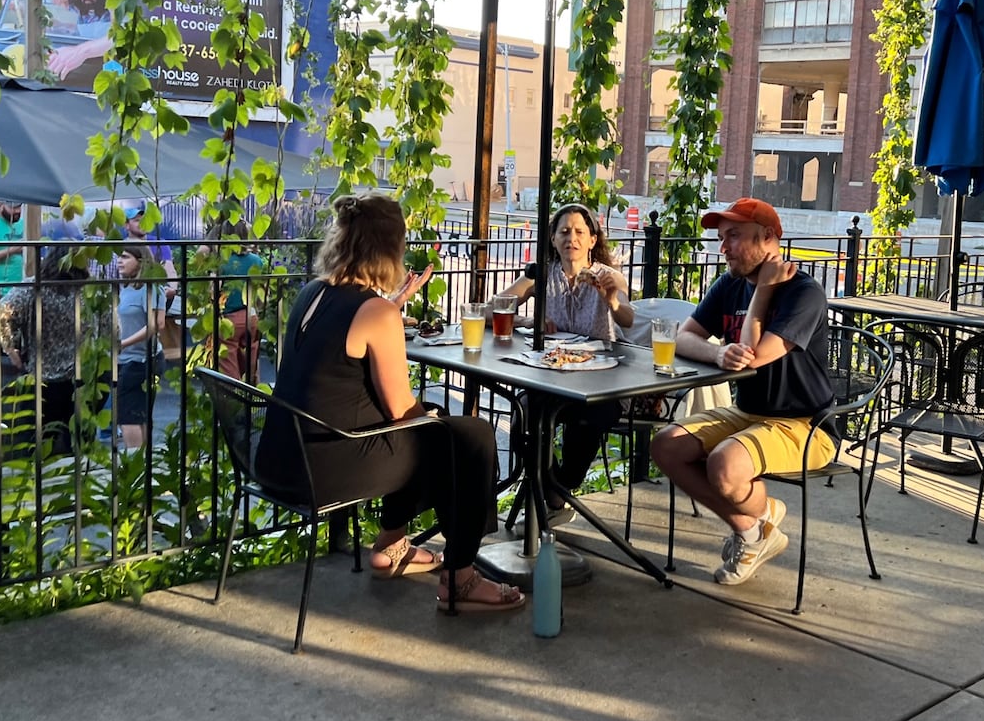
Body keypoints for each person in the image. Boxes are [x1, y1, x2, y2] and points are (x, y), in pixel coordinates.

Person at [256, 194, 523, 613]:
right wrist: (438, 423)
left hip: (278, 459)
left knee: (431, 434)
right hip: (324, 471)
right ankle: (461, 579)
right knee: (468, 437)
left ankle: (392, 545)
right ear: (390, 248)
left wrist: (389, 311)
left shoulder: (313, 293)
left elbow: (336, 371)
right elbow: (402, 409)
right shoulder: (375, 312)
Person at [649, 198, 835, 587]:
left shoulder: (805, 293)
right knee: (665, 445)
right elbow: (683, 337)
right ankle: (755, 530)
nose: (724, 247)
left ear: (768, 237)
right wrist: (717, 352)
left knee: (724, 466)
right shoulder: (730, 284)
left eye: (733, 236)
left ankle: (757, 523)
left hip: (805, 425)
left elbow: (754, 358)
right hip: (749, 413)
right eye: (721, 238)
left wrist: (764, 291)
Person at [497, 202, 635, 524]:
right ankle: (551, 490)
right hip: (554, 379)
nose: (571, 237)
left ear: (591, 240)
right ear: (553, 239)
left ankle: (557, 496)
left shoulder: (607, 276)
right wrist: (529, 321)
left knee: (591, 417)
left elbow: (627, 318)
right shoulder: (542, 277)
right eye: (563, 231)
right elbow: (495, 308)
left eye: (578, 231)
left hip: (603, 382)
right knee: (523, 414)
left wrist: (611, 299)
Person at [0, 256, 102, 455]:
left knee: (35, 441)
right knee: (78, 441)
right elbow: (111, 329)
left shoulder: (32, 287)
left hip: (40, 375)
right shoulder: (90, 290)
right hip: (81, 375)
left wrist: (10, 348)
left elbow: (1, 314)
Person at [198, 219, 264, 382]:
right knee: (250, 363)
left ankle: (234, 401)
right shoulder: (256, 260)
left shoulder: (221, 261)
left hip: (229, 319)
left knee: (228, 367)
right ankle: (252, 396)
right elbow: (261, 291)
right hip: (251, 316)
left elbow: (214, 290)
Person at [114, 245, 165, 450]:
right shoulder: (127, 287)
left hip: (140, 360)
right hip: (128, 359)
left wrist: (123, 344)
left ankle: (134, 462)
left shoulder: (150, 288)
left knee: (129, 416)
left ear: (141, 261)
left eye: (125, 257)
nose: (119, 261)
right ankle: (142, 465)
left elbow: (155, 324)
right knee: (136, 413)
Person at [47, 0, 114, 79]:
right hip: (80, 63)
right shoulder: (81, 8)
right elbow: (65, 1)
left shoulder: (109, 12)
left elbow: (116, 37)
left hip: (104, 61)